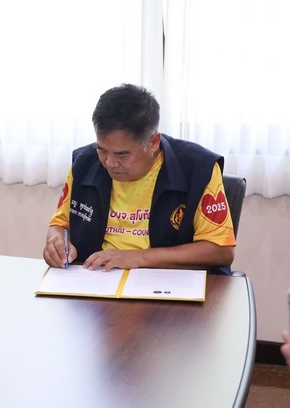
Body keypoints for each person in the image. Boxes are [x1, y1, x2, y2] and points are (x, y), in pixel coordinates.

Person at [43, 83, 236, 274]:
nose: (109, 163)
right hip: (95, 281)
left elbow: (221, 251)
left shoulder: (197, 169)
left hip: (165, 282)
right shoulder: (84, 163)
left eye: (122, 155)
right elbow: (60, 225)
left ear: (153, 143)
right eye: (102, 150)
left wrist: (139, 257)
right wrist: (56, 242)